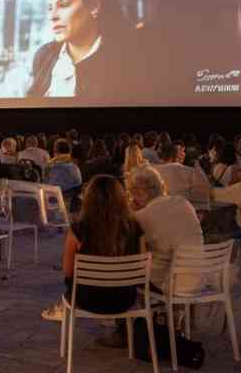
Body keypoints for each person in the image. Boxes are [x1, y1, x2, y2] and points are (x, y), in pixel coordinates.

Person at [52, 175, 143, 344]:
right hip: (124, 299)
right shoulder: (134, 228)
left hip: (88, 299)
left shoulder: (78, 230)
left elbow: (68, 272)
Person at [24, 0, 128, 100]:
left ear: (93, 7)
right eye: (50, 8)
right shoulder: (44, 55)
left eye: (63, 5)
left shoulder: (123, 60)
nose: (53, 16)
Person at [127, 166, 203, 295]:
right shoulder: (183, 202)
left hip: (169, 283)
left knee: (128, 276)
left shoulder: (141, 216)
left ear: (138, 193)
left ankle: (143, 314)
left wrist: (132, 211)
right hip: (197, 277)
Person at [153, 141, 211, 210]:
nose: (184, 154)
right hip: (183, 210)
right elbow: (204, 190)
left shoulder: (153, 170)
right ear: (175, 155)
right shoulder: (189, 171)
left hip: (160, 209)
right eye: (181, 151)